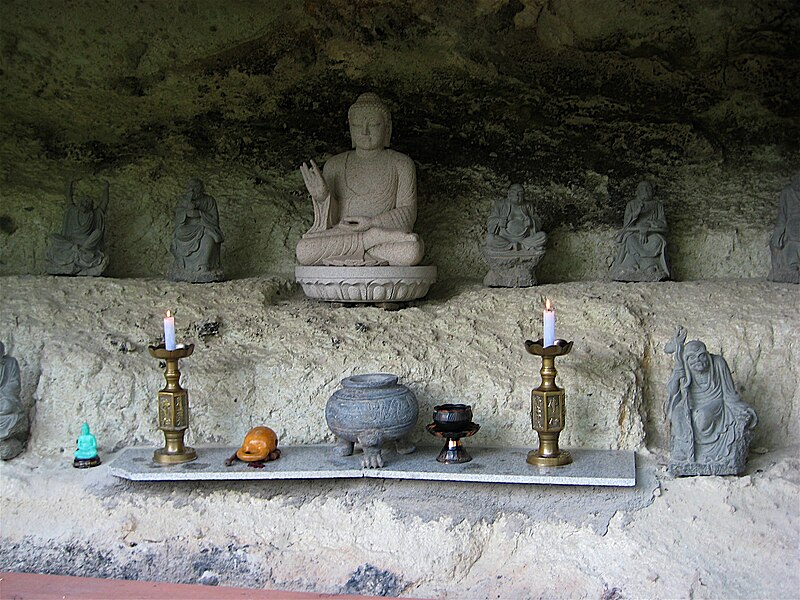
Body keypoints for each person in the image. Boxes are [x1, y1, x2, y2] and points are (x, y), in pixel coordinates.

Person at [296, 93, 424, 267]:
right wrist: (323, 198)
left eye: (374, 124)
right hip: (344, 236)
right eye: (357, 125)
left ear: (387, 129)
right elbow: (331, 222)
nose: (365, 131)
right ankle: (369, 242)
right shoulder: (335, 165)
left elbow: (408, 213)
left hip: (384, 236)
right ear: (350, 129)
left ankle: (372, 240)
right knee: (304, 250)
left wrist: (372, 223)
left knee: (412, 250)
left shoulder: (401, 163)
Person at [664, 327, 757, 475]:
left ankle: (712, 455)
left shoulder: (718, 363)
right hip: (691, 402)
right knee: (677, 414)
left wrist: (740, 409)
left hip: (716, 402)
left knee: (701, 417)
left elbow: (729, 393)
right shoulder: (684, 368)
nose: (698, 361)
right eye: (692, 358)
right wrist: (676, 376)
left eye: (701, 356)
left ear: (707, 355)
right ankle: (683, 451)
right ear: (687, 360)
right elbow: (672, 392)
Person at [47, 180, 109, 276]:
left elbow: (104, 204)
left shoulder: (94, 215)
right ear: (79, 203)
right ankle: (74, 249)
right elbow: (69, 198)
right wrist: (69, 185)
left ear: (91, 205)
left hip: (86, 244)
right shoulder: (73, 211)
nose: (85, 204)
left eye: (88, 202)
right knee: (53, 236)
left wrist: (106, 188)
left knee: (98, 233)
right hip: (71, 243)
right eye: (83, 202)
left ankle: (81, 250)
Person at [610, 181, 669, 282]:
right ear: (637, 192)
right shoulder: (631, 204)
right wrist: (635, 214)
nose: (645, 191)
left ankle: (650, 265)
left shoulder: (658, 205)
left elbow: (663, 223)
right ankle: (633, 264)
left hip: (652, 234)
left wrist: (650, 224)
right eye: (642, 189)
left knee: (658, 241)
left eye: (648, 189)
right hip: (635, 234)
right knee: (629, 239)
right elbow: (626, 226)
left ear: (652, 191)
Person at [169, 178, 225, 283]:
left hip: (205, 225)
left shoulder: (209, 201)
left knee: (208, 239)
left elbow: (214, 219)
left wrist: (199, 214)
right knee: (179, 232)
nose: (194, 191)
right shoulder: (183, 200)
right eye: (191, 188)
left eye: (196, 188)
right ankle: (183, 265)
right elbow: (179, 218)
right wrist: (186, 212)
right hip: (190, 229)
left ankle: (204, 265)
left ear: (201, 189)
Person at [485, 184, 547, 254]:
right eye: (513, 193)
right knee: (490, 238)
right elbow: (490, 220)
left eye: (520, 193)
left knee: (543, 236)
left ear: (524, 195)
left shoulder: (528, 205)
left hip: (525, 238)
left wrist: (532, 222)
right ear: (508, 193)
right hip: (505, 238)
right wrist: (499, 221)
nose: (517, 196)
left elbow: (538, 221)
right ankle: (511, 245)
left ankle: (522, 245)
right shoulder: (500, 204)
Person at [768, 171, 800, 284]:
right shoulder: (787, 191)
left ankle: (792, 267)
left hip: (792, 227)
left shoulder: (787, 191)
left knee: (791, 244)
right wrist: (778, 233)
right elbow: (782, 215)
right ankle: (790, 268)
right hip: (791, 226)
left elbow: (782, 215)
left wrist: (779, 233)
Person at [0, 341, 28, 460]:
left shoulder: (10, 363)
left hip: (5, 399)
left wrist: (3, 394)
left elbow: (14, 384)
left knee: (7, 407)